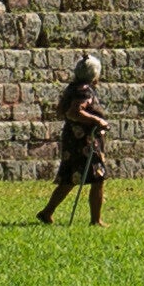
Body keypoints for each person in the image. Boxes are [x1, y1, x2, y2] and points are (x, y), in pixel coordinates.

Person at [38, 54, 110, 224]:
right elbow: (74, 112)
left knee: (70, 177)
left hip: (73, 138)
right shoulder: (84, 91)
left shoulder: (73, 88)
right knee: (98, 178)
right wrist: (98, 120)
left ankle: (47, 212)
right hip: (84, 141)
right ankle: (95, 220)